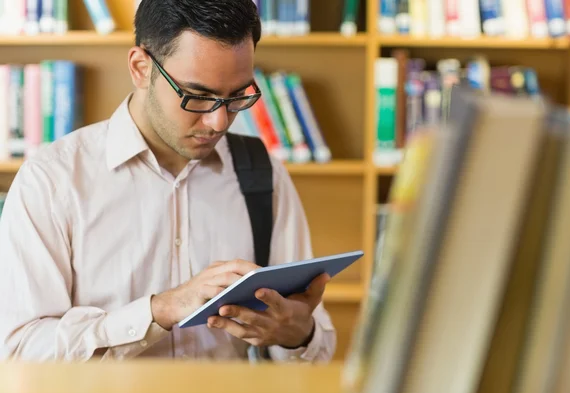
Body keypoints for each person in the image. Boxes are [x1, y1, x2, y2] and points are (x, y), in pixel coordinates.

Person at [0, 0, 336, 362]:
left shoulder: (263, 174)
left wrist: (297, 335)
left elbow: (314, 349)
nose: (219, 123)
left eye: (238, 96)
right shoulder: (53, 181)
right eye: (198, 97)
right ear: (141, 68)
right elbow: (19, 352)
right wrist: (160, 310)